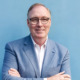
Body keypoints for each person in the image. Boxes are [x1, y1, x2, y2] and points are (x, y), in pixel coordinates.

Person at [2, 3, 71, 80]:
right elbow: (7, 78)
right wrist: (48, 79)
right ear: (28, 22)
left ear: (50, 22)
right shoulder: (12, 48)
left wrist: (21, 78)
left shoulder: (63, 52)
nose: (40, 24)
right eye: (34, 19)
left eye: (44, 19)